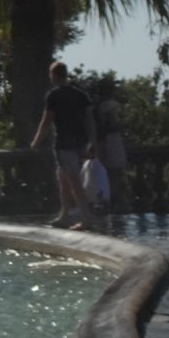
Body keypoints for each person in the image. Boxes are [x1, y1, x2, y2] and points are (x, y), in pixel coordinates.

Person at [29, 61, 97, 230]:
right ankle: (64, 215)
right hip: (80, 141)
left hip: (64, 143)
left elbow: (47, 120)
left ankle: (86, 218)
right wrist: (93, 141)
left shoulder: (54, 95)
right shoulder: (81, 95)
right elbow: (89, 120)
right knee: (63, 180)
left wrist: (36, 141)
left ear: (53, 75)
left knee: (74, 181)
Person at [92, 78, 130, 214]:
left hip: (104, 142)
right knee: (115, 174)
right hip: (112, 141)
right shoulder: (109, 105)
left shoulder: (99, 106)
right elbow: (112, 125)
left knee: (109, 175)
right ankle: (115, 203)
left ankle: (110, 202)